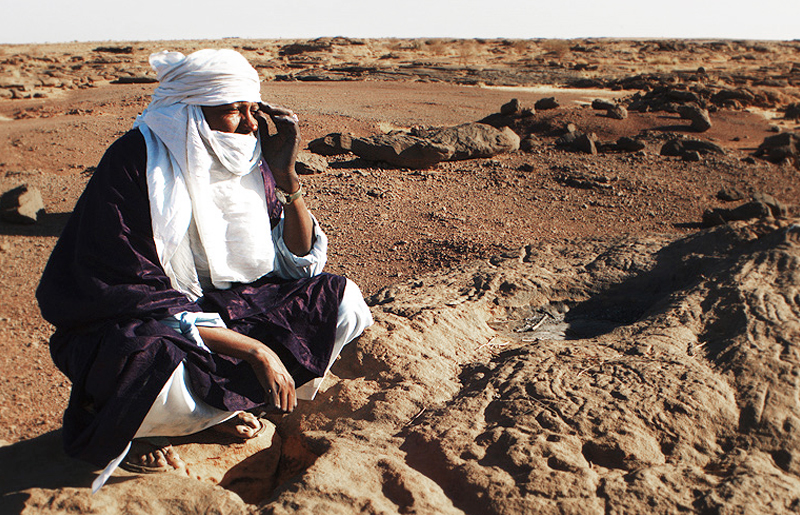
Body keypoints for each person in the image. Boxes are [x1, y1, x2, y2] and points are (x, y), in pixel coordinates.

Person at [35, 49, 373, 490]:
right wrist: (256, 350)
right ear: (189, 113)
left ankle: (217, 410)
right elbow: (135, 295)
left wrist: (286, 175)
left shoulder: (252, 161)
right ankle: (165, 424)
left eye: (254, 110)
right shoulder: (135, 163)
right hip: (148, 321)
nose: (251, 125)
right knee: (148, 367)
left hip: (229, 308)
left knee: (341, 301)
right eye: (234, 110)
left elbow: (296, 265)